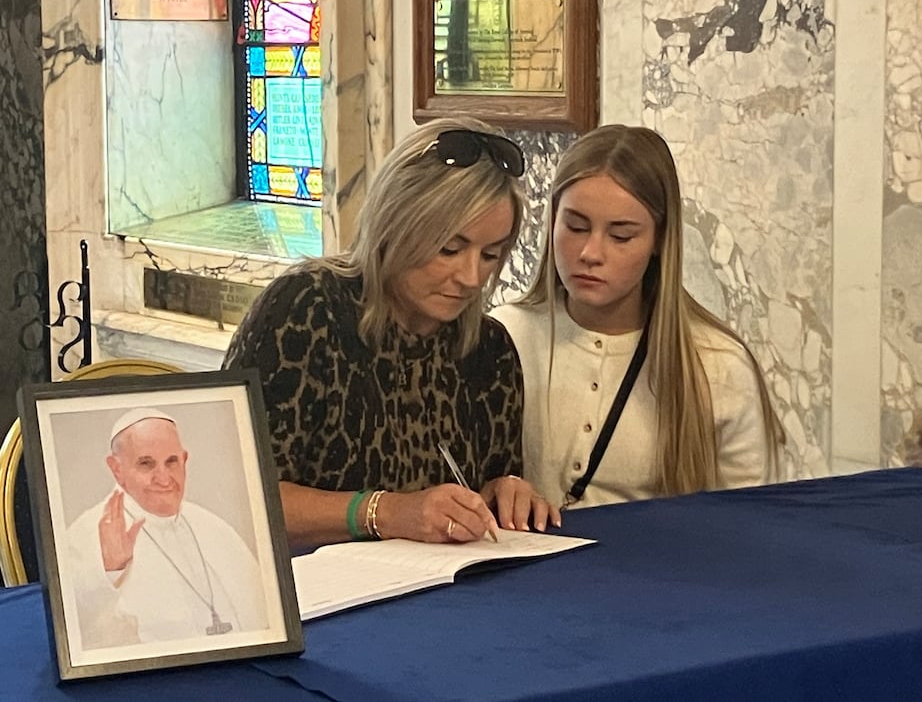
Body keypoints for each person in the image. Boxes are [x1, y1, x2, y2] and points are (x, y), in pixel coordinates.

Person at [223, 116, 559, 551]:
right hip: (316, 596)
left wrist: (504, 491)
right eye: (450, 249)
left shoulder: (487, 350)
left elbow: (485, 485)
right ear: (395, 226)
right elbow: (236, 496)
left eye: (491, 254)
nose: (472, 276)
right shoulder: (307, 310)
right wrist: (386, 512)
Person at [490, 125, 786, 508]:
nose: (590, 253)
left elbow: (752, 519)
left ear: (660, 241)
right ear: (551, 222)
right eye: (576, 227)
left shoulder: (717, 365)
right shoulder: (506, 336)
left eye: (621, 236)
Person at [65, 408, 267, 649]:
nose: (163, 478)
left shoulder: (213, 527)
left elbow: (263, 610)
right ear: (117, 469)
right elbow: (70, 630)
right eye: (146, 464)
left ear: (184, 460)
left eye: (171, 462)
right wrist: (109, 572)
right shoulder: (85, 535)